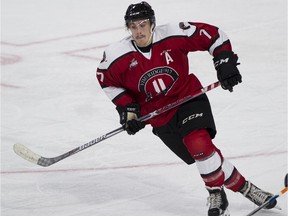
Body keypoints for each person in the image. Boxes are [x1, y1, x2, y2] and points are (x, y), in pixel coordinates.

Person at [96, 2, 277, 215]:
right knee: (203, 153)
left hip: (188, 97)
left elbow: (214, 35)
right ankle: (247, 188)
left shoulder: (172, 34)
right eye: (133, 26)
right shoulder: (117, 54)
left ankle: (215, 194)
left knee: (198, 143)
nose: (138, 31)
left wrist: (224, 61)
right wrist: (127, 108)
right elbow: (105, 80)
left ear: (152, 23)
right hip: (158, 116)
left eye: (142, 24)